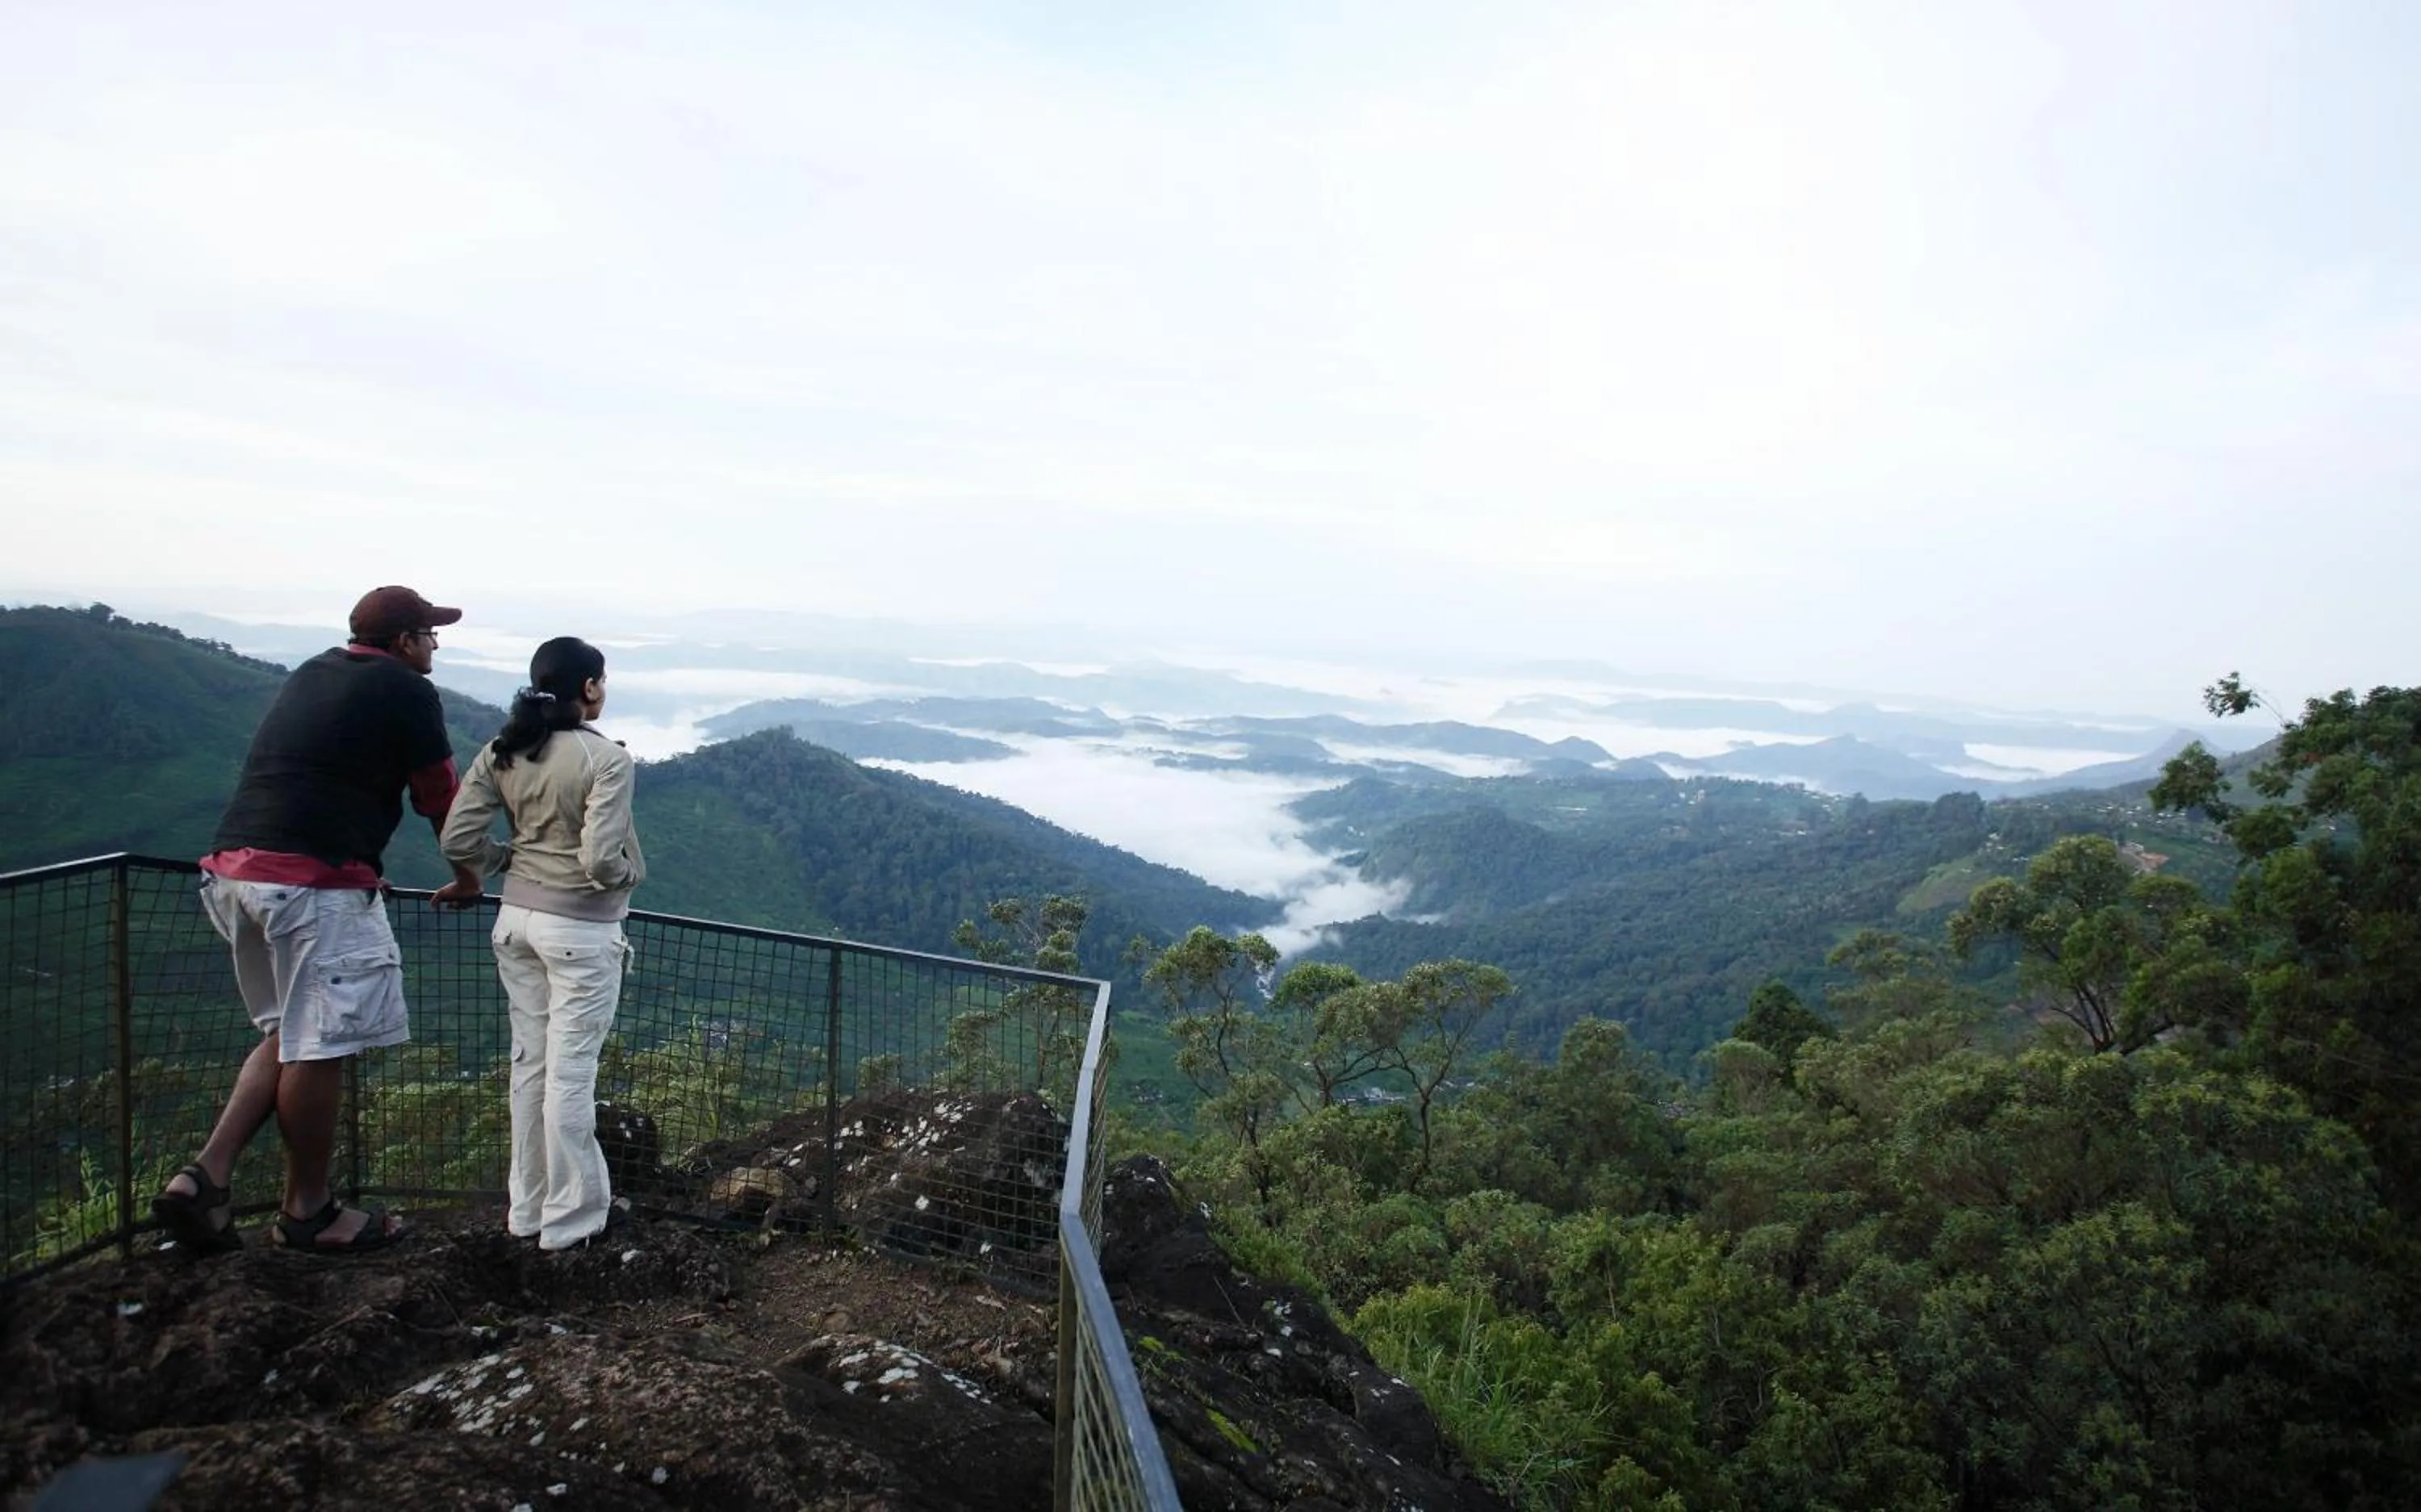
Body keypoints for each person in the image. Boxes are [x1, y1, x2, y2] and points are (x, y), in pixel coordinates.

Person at [152, 586, 485, 1255]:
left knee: (288, 1035)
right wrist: (468, 880)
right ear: (403, 643)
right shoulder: (407, 690)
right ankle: (307, 1210)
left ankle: (205, 1176)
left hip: (234, 875)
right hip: (309, 886)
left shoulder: (313, 670)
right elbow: (442, 800)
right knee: (320, 1047)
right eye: (429, 633)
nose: (435, 645)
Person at [439, 636, 646, 1252]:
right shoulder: (606, 760)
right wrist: (629, 876)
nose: (604, 691)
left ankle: (526, 1208)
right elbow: (602, 859)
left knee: (529, 1067)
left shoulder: (504, 751)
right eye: (601, 681)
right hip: (580, 931)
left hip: (516, 921)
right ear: (587, 687)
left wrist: (504, 858)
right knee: (571, 1074)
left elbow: (457, 838)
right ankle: (573, 1218)